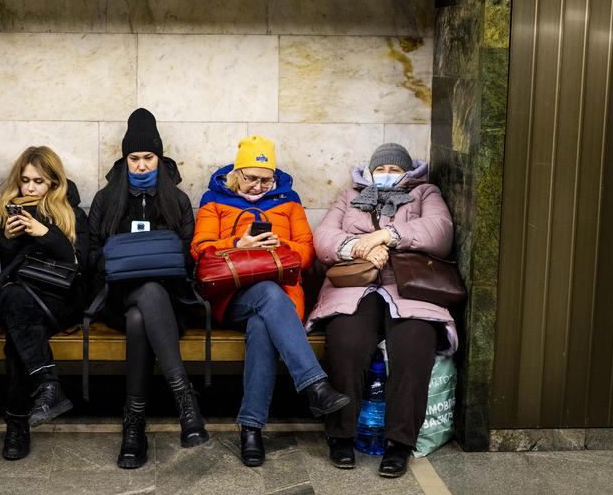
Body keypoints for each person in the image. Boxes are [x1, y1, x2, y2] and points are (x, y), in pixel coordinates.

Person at [192, 135, 350, 467]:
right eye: (251, 178)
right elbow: (199, 249)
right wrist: (240, 243)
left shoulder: (288, 201)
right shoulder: (214, 199)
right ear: (236, 174)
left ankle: (251, 430)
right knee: (266, 295)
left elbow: (308, 252)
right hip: (230, 297)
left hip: (281, 296)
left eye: (266, 179)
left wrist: (281, 249)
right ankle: (314, 385)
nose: (258, 185)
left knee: (263, 321)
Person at [306, 143, 457, 478]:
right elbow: (325, 236)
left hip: (410, 288)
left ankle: (399, 445)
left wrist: (387, 236)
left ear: (407, 172)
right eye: (381, 170)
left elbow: (440, 229)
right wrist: (355, 248)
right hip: (356, 284)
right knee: (346, 341)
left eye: (394, 170)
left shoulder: (424, 192)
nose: (387, 175)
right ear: (370, 172)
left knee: (415, 344)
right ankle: (341, 436)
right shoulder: (349, 196)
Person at [87, 108, 207, 470]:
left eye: (148, 157)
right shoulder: (106, 199)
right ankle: (184, 399)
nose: (141, 165)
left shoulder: (178, 200)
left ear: (160, 157)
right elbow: (90, 251)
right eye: (134, 158)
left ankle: (134, 426)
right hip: (117, 297)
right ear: (125, 160)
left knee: (146, 308)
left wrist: (157, 263)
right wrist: (120, 263)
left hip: (169, 301)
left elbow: (190, 255)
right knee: (140, 302)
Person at [0, 146, 89, 460]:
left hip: (60, 300)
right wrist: (6, 238)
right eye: (25, 180)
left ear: (54, 183)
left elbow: (81, 261)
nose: (31, 188)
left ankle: (16, 424)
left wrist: (44, 231)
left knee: (18, 326)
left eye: (39, 181)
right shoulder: (6, 210)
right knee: (17, 310)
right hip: (21, 299)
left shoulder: (71, 212)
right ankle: (46, 386)